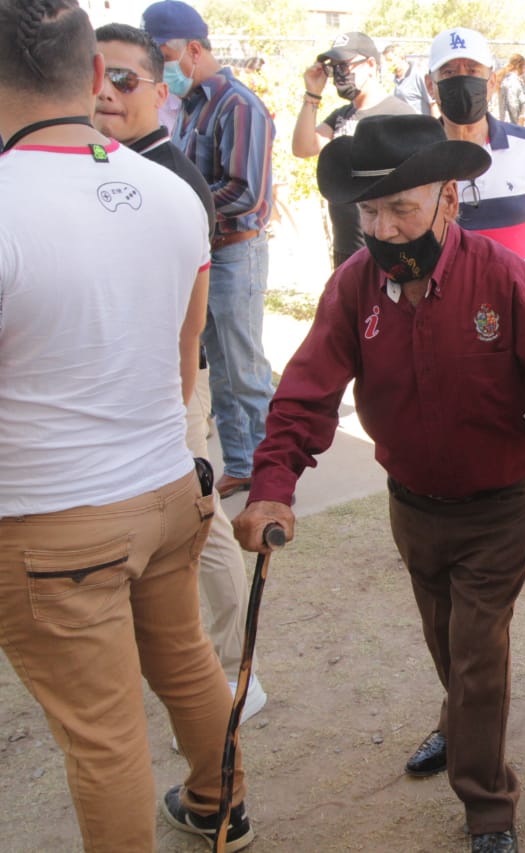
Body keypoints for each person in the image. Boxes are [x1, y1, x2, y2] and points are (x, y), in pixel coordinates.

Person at [232, 114, 525, 853]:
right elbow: (306, 394)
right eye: (369, 212)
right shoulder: (354, 286)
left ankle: (488, 804)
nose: (383, 230)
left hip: (501, 506)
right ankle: (459, 721)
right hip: (411, 506)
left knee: (476, 651)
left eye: (401, 209)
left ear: (449, 199)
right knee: (446, 640)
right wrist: (273, 484)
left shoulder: (505, 280)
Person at [0, 2, 255, 850]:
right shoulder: (170, 191)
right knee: (184, 660)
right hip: (163, 484)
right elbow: (185, 359)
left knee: (102, 732)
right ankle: (221, 800)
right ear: (88, 75)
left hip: (52, 521)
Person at [92, 21, 269, 723]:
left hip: (168, 383)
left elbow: (185, 322)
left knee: (202, 524)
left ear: (158, 88)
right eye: (94, 76)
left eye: (124, 79)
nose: (105, 92)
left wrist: (176, 395)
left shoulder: (168, 177)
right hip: (124, 386)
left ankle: (236, 671)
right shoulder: (111, 163)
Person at [425, 27, 525, 573]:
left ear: (491, 81)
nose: (461, 82)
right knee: (449, 421)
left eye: (471, 72)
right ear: (431, 85)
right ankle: (451, 527)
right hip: (446, 322)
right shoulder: (417, 153)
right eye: (448, 74)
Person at [142, 0, 276, 500]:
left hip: (235, 253)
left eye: (164, 57)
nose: (162, 70)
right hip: (209, 252)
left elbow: (245, 192)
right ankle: (242, 465)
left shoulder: (238, 105)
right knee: (220, 371)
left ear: (194, 50)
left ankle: (272, 475)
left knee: (246, 372)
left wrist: (181, 205)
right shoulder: (194, 103)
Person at [292, 31, 414, 268]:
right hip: (346, 248)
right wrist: (312, 94)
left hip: (387, 248)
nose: (339, 74)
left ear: (370, 65)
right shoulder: (342, 115)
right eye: (334, 67)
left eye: (345, 65)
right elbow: (303, 147)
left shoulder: (400, 114)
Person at [385, 44, 438, 117]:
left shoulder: (418, 75)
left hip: (421, 123)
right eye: (386, 62)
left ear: (401, 57)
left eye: (390, 60)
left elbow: (433, 104)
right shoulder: (392, 81)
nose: (388, 64)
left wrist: (435, 123)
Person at [496, 53, 525, 124]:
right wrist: (516, 122)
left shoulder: (507, 79)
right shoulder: (512, 82)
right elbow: (512, 105)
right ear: (520, 66)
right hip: (510, 123)